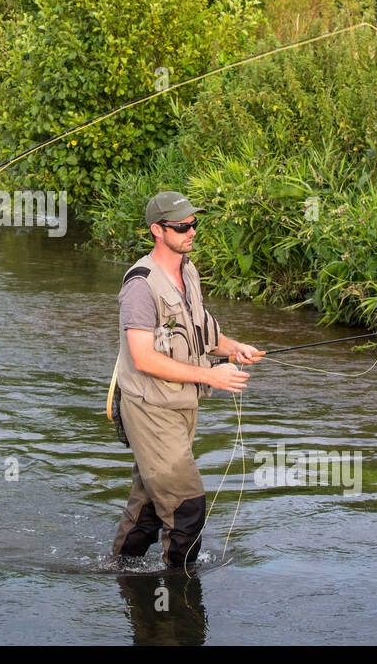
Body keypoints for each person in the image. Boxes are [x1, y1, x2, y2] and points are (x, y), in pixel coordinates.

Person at [111, 191, 264, 571]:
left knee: (148, 507)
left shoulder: (188, 270)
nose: (191, 230)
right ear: (157, 231)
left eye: (194, 223)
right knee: (187, 509)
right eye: (182, 226)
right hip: (150, 410)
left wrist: (233, 349)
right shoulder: (140, 286)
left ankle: (120, 572)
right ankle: (179, 592)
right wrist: (210, 375)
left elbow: (203, 334)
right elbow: (144, 357)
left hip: (181, 407)